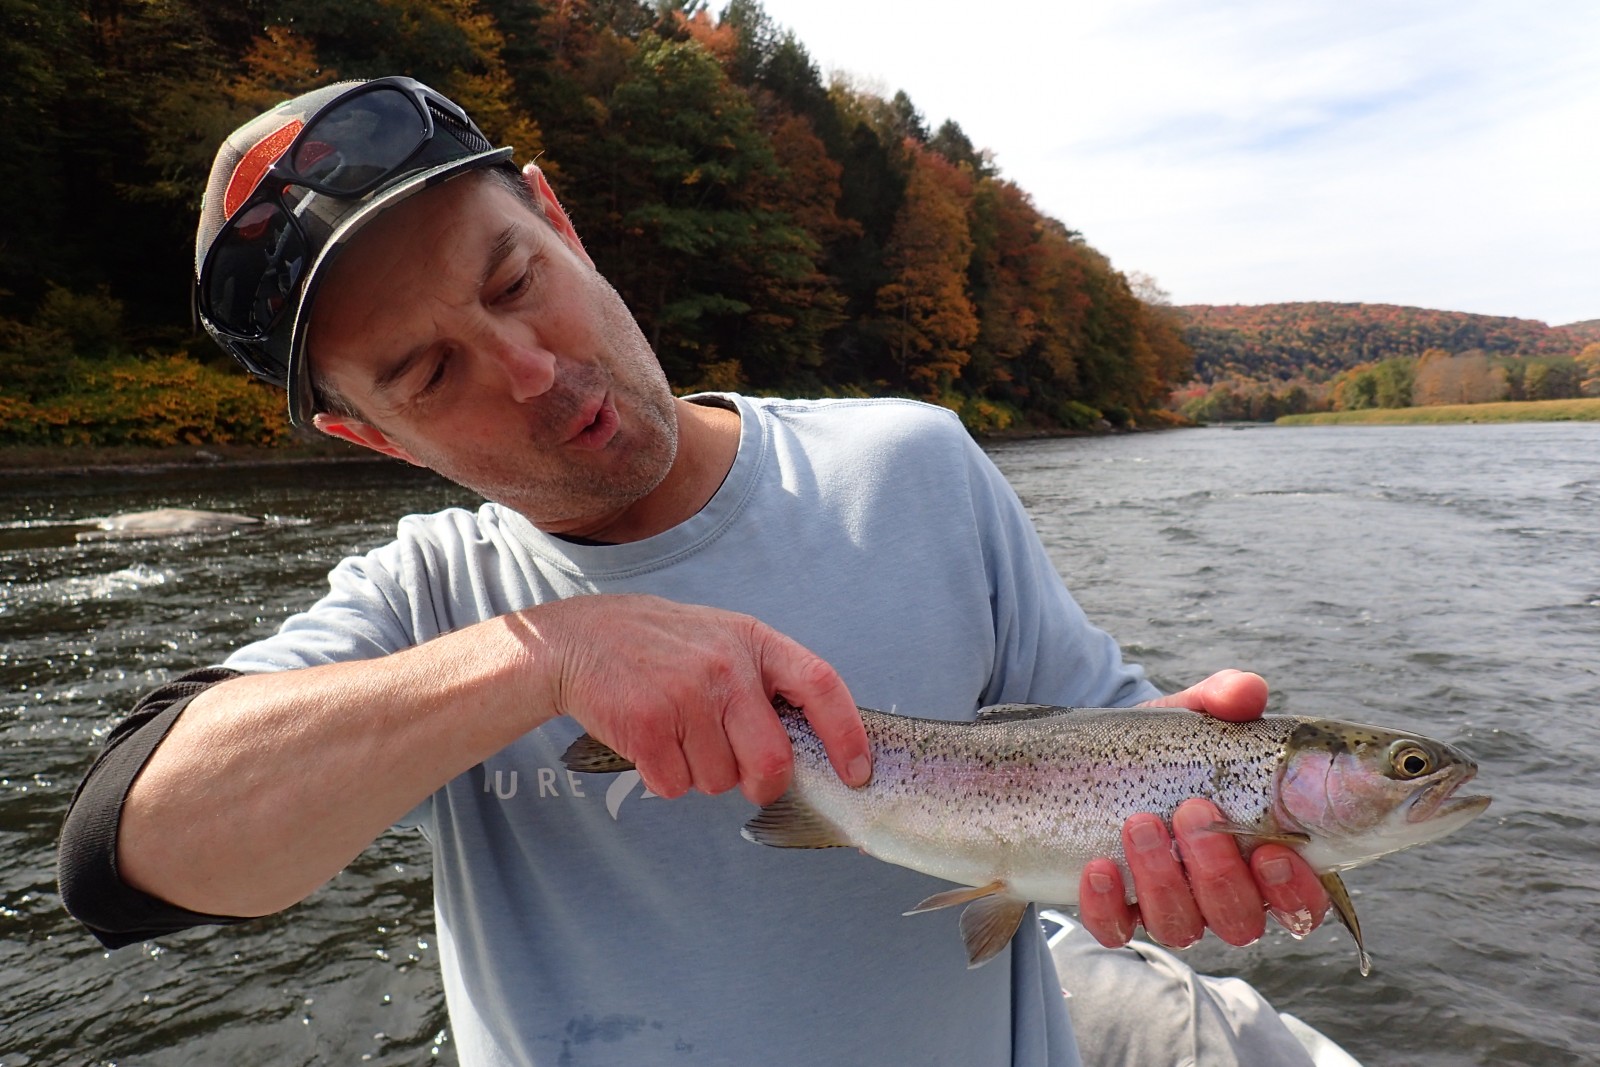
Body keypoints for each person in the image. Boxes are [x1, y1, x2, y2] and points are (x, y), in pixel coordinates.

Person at [57, 77, 1332, 1066]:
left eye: (516, 278)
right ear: (371, 437)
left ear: (560, 219)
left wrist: (1187, 841)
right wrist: (545, 656)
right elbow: (124, 850)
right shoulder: (423, 603)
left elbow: (1118, 750)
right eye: (429, 375)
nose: (531, 370)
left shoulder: (915, 465)